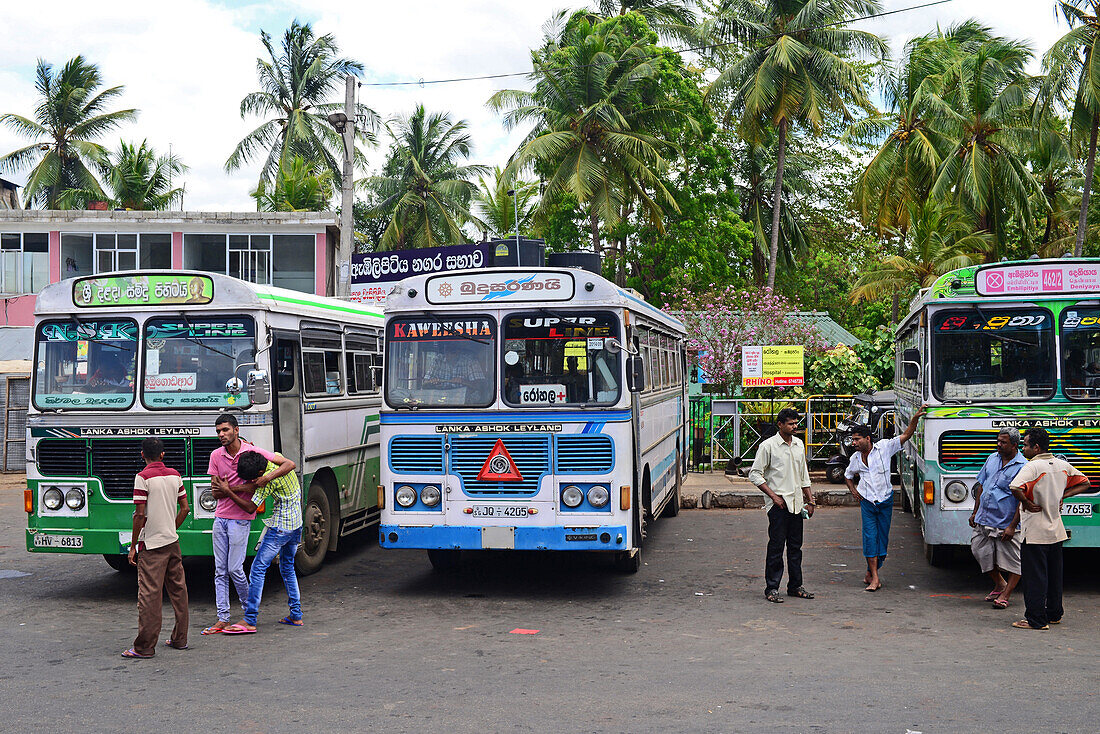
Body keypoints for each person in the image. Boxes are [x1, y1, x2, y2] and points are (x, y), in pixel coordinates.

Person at [202, 413, 291, 635]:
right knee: (220, 570)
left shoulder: (252, 453)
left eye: (225, 430)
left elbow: (289, 464)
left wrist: (264, 480)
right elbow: (214, 492)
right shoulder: (216, 456)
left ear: (236, 430)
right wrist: (232, 490)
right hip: (220, 518)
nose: (221, 435)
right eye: (218, 431)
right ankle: (222, 618)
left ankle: (249, 611)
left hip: (241, 520)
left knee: (235, 568)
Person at [1009, 427, 1091, 630]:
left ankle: (1036, 619)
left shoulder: (1032, 467)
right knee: (1054, 576)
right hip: (1056, 530)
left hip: (1035, 532)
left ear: (1036, 447)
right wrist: (1064, 495)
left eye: (1026, 445)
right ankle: (1054, 614)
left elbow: (1015, 487)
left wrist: (1026, 504)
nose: (1023, 449)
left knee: (1035, 577)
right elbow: (1085, 482)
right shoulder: (1061, 464)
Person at [217, 450, 302, 634]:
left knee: (257, 569)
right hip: (296, 525)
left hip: (279, 528)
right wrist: (236, 488)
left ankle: (250, 619)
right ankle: (296, 614)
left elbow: (249, 508)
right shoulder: (278, 459)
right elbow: (290, 464)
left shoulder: (267, 482)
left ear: (258, 475)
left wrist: (228, 492)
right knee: (287, 567)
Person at [843, 406, 926, 592]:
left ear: (867, 439)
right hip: (867, 503)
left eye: (857, 439)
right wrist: (853, 490)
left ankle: (870, 571)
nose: (854, 443)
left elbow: (906, 435)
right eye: (853, 439)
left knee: (882, 541)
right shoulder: (855, 459)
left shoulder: (885, 448)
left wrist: (915, 419)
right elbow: (848, 476)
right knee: (870, 539)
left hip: (885, 501)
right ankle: (875, 578)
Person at [121, 438, 190, 659]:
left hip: (151, 545)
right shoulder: (175, 475)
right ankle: (180, 639)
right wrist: (172, 527)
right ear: (162, 455)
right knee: (179, 591)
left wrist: (133, 546)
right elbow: (185, 508)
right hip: (172, 541)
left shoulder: (142, 478)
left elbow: (140, 515)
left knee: (149, 596)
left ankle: (144, 647)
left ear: (143, 455)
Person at [749, 407, 815, 603]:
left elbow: (804, 475)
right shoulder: (768, 446)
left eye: (796, 423)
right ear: (780, 425)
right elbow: (755, 474)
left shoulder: (798, 445)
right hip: (778, 506)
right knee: (776, 547)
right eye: (790, 424)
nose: (794, 427)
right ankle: (772, 588)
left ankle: (795, 586)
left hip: (796, 504)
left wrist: (810, 500)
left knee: (796, 547)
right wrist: (774, 497)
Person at [968, 428, 1027, 609]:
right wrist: (975, 512)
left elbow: (1021, 501)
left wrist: (1012, 526)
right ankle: (1000, 583)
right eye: (998, 441)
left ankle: (1005, 595)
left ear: (1015, 445)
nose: (999, 445)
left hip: (1006, 522)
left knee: (1014, 562)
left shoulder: (1023, 466)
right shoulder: (992, 458)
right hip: (985, 518)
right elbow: (982, 486)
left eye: (1003, 442)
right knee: (979, 551)